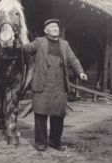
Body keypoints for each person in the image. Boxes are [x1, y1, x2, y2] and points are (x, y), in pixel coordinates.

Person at [20, 19, 88, 151]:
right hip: (42, 84)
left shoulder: (65, 44)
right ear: (46, 31)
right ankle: (41, 142)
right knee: (40, 114)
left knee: (58, 115)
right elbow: (27, 49)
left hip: (59, 84)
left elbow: (73, 59)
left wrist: (80, 72)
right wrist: (15, 41)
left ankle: (55, 142)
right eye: (51, 26)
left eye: (56, 26)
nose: (55, 28)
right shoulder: (39, 42)